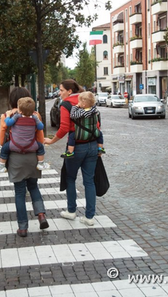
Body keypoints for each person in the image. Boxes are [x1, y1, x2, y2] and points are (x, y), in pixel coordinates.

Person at [44, 79, 99, 226]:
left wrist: (51, 141)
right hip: (92, 145)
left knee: (70, 178)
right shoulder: (87, 98)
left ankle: (71, 211)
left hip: (75, 147)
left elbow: (63, 128)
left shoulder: (66, 104)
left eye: (61, 90)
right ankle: (89, 217)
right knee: (89, 181)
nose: (59, 93)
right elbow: (97, 125)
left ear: (69, 91)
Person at [0, 87, 49, 237]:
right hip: (33, 156)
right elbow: (40, 139)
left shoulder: (7, 115)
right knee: (33, 187)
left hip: (15, 158)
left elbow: (2, 141)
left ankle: (22, 227)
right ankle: (41, 214)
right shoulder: (35, 115)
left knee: (20, 193)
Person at [0, 96, 49, 173]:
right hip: (31, 145)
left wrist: (8, 115)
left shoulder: (17, 116)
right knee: (40, 147)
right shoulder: (34, 118)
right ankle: (41, 163)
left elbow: (8, 123)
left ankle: (2, 165)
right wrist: (37, 121)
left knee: (4, 148)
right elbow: (41, 127)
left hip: (15, 145)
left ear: (20, 111)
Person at [61, 91, 105, 159]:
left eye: (79, 102)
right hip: (94, 133)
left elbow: (72, 115)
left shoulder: (82, 112)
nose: (78, 103)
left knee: (71, 136)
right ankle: (100, 148)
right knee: (100, 134)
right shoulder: (94, 110)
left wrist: (75, 107)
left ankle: (70, 152)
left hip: (81, 134)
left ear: (83, 104)